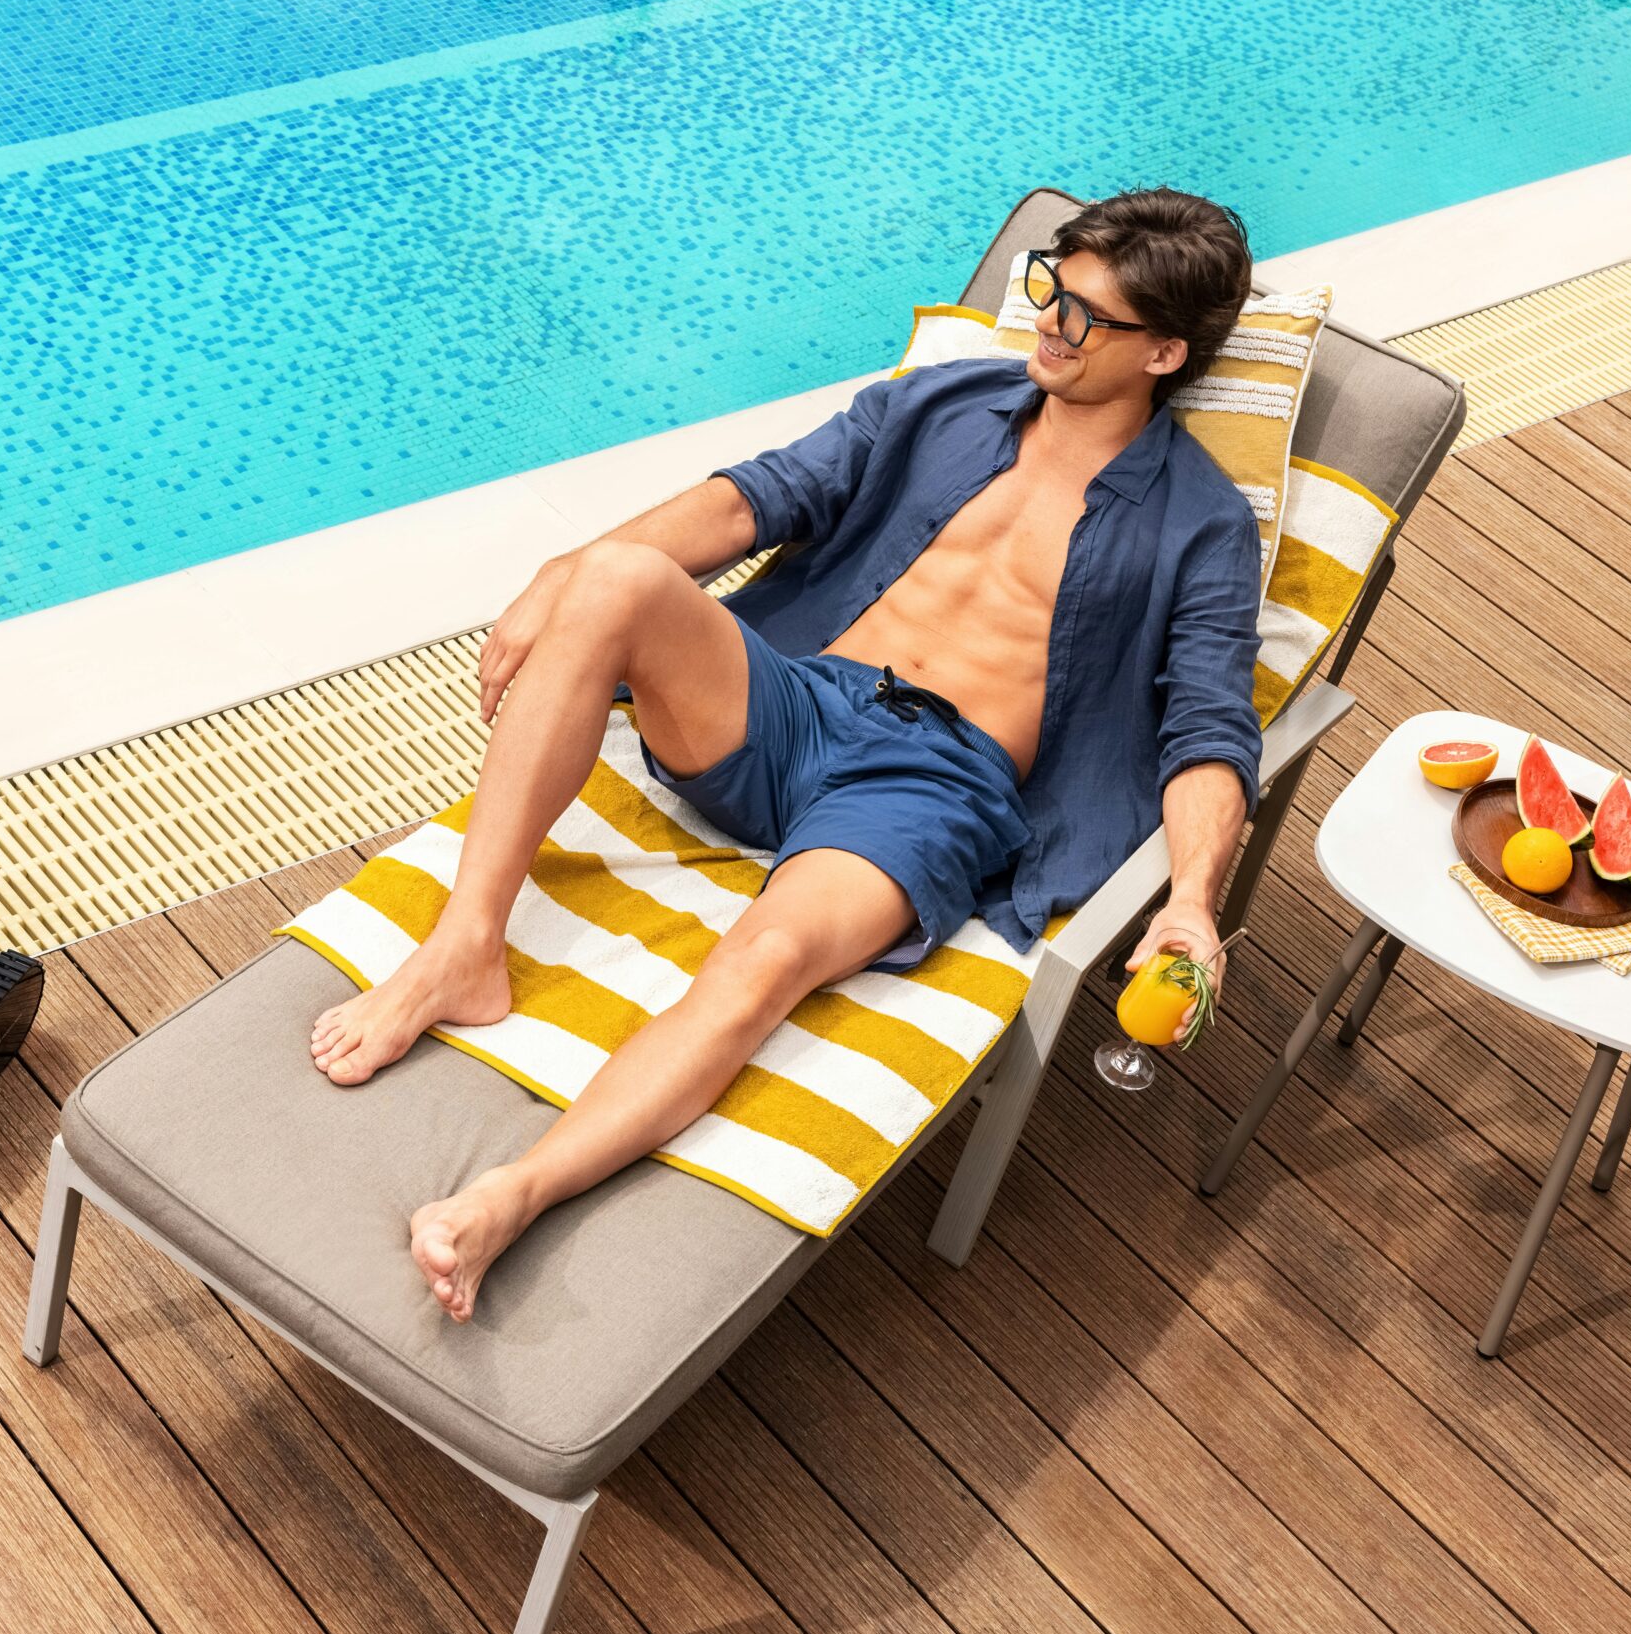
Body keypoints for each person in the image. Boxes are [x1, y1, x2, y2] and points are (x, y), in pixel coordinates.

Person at [310, 188, 1266, 1321]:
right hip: (794, 702)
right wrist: (556, 585)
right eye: (1049, 288)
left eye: (1089, 318)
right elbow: (751, 502)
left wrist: (1193, 902)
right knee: (615, 577)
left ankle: (512, 1197)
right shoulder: (941, 402)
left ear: (1164, 351)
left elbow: (1207, 724)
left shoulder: (1201, 522)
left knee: (760, 963)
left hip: (928, 787)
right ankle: (464, 948)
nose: (1052, 325)